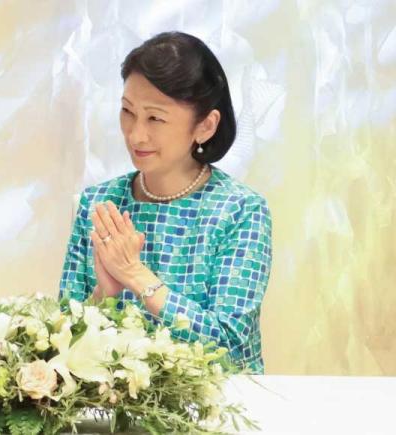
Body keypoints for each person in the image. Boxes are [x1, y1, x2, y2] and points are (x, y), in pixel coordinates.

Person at [59, 32, 272, 373]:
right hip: (113, 401)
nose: (135, 134)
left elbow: (230, 347)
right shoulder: (98, 204)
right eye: (128, 111)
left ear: (205, 126)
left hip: (220, 401)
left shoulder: (240, 210)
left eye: (155, 118)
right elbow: (60, 341)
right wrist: (104, 294)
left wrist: (135, 274)